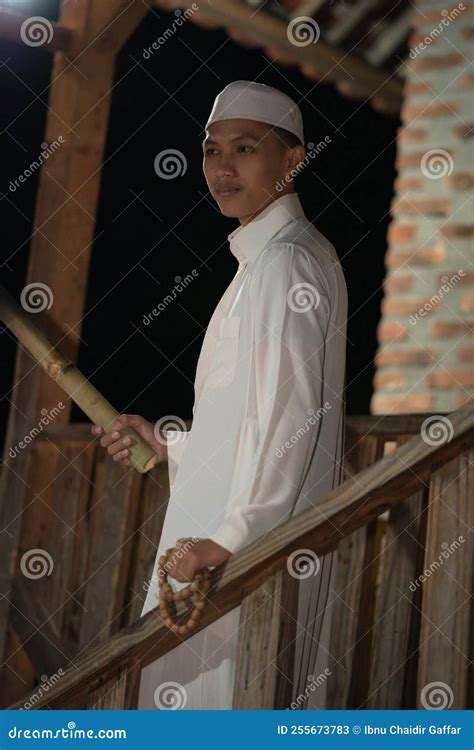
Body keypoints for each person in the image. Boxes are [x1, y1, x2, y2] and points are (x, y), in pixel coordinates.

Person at [92, 80, 347, 710]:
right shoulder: (260, 264)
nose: (222, 167)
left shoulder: (288, 263)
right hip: (226, 545)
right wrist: (168, 442)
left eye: (245, 147)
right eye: (210, 150)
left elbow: (291, 424)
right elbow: (245, 421)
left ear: (293, 159)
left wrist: (231, 538)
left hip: (245, 555)